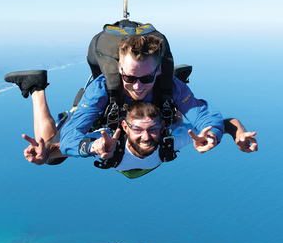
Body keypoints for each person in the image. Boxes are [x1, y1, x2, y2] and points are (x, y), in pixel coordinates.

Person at [3, 70, 257, 178]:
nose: (146, 137)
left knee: (52, 156)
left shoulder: (108, 145)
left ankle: (170, 86)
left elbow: (223, 124)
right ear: (124, 128)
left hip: (156, 117)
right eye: (139, 129)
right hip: (100, 111)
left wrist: (238, 133)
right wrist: (46, 152)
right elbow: (59, 147)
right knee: (54, 157)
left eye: (152, 129)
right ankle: (35, 87)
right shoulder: (109, 138)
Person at [58, 34, 226, 158]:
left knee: (174, 115)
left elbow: (204, 116)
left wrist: (211, 135)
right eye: (129, 78)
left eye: (146, 78)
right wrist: (92, 146)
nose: (137, 87)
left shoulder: (171, 85)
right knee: (53, 158)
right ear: (120, 70)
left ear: (158, 71)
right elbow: (69, 137)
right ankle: (36, 88)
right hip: (106, 117)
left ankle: (174, 98)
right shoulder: (100, 89)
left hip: (157, 109)